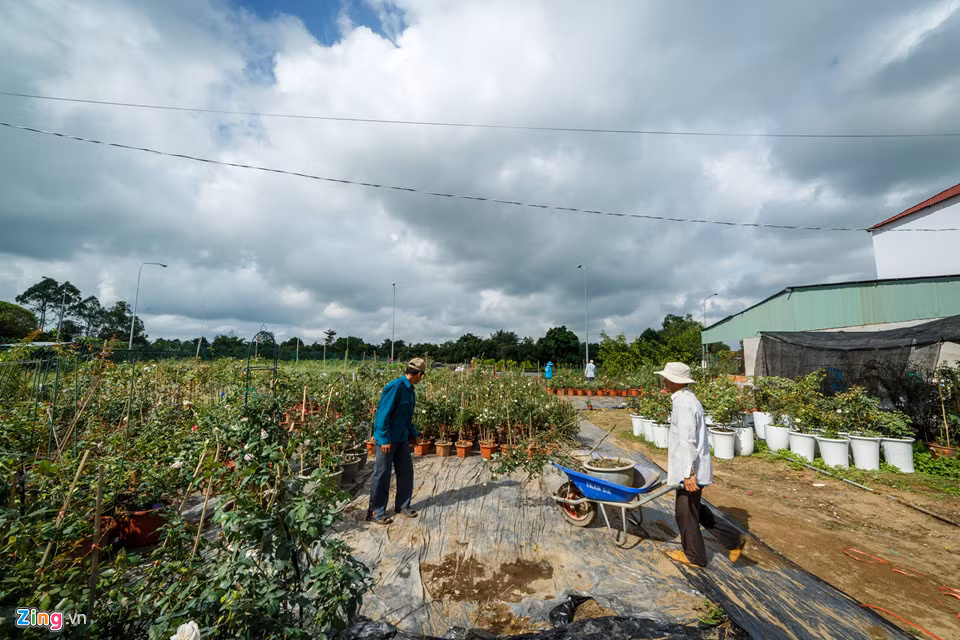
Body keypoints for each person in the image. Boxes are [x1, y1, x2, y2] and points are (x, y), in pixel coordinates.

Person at [655, 362, 745, 567]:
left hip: (691, 469)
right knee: (693, 509)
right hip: (693, 467)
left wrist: (688, 473)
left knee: (684, 514)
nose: (664, 380)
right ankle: (734, 539)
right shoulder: (685, 399)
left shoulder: (683, 404)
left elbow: (688, 441)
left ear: (674, 381)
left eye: (667, 378)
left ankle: (695, 557)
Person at [366, 357, 425, 524]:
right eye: (422, 376)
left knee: (406, 471)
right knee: (382, 474)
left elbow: (406, 416)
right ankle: (376, 512)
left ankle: (403, 505)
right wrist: (384, 439)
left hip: (401, 438)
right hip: (387, 439)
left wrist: (413, 434)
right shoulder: (395, 386)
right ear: (419, 374)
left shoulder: (410, 389)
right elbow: (382, 414)